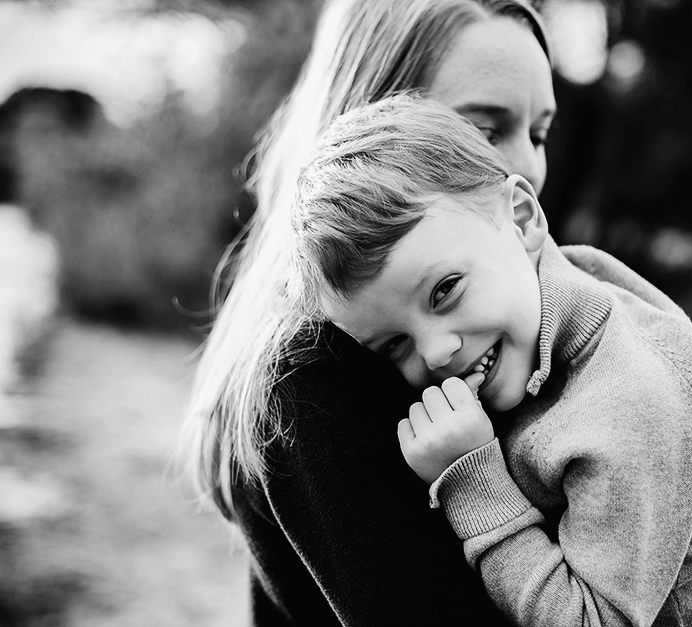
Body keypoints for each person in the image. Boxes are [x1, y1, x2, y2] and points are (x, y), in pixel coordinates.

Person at [288, 94, 692, 626]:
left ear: (521, 219)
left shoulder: (635, 402)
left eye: (445, 290)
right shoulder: (534, 319)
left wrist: (471, 482)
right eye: (394, 344)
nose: (436, 352)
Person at [181, 0, 555, 625]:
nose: (529, 169)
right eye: (483, 133)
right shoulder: (314, 381)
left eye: (538, 133)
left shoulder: (514, 327)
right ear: (372, 124)